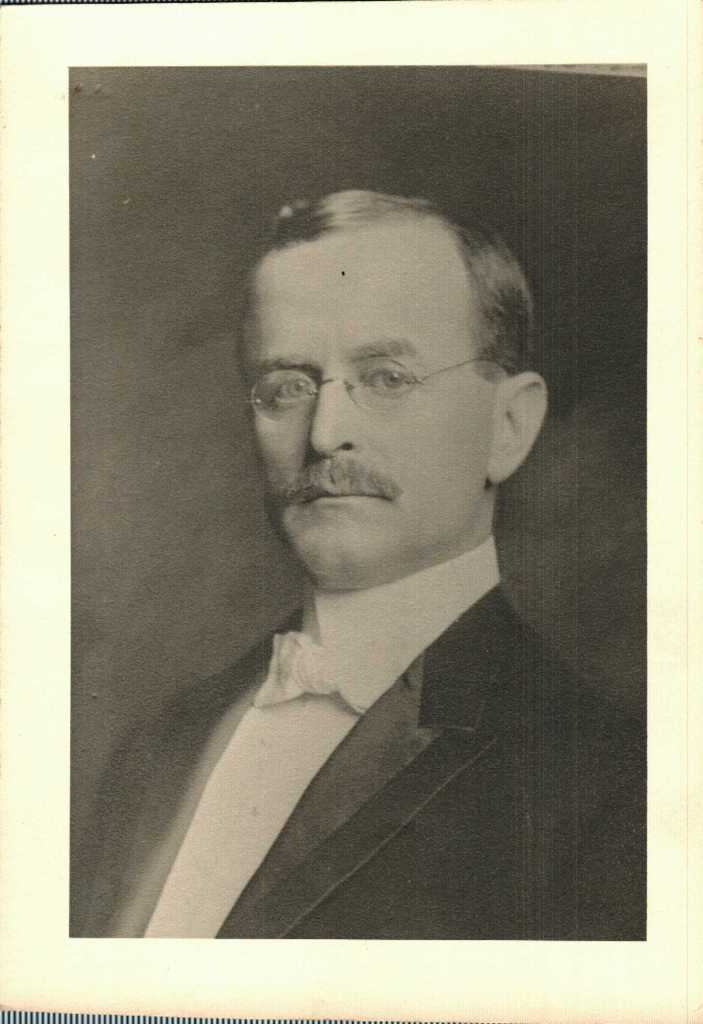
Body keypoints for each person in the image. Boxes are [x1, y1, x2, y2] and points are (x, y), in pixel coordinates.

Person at [72, 189, 645, 940]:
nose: (324, 433)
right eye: (286, 388)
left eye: (387, 378)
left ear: (508, 425)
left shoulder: (613, 783)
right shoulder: (154, 755)